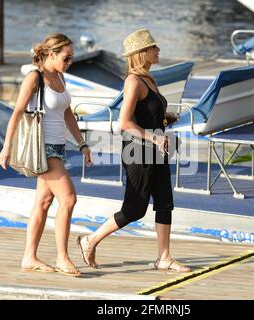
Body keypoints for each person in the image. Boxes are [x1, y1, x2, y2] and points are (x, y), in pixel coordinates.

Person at [76, 28, 191, 273]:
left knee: (164, 203)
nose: (158, 50)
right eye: (154, 48)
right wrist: (152, 136)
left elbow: (146, 113)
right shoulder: (133, 81)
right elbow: (125, 122)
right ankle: (90, 240)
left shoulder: (149, 78)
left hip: (157, 148)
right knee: (135, 209)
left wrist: (165, 117)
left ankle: (164, 257)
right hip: (138, 151)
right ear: (142, 53)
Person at [0, 32, 92, 276]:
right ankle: (62, 257)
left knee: (43, 202)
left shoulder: (60, 76)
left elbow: (67, 113)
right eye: (67, 57)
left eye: (72, 58)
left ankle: (29, 257)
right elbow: (17, 112)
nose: (70, 62)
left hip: (59, 147)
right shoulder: (34, 77)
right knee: (69, 199)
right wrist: (6, 146)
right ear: (52, 54)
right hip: (43, 148)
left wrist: (82, 144)